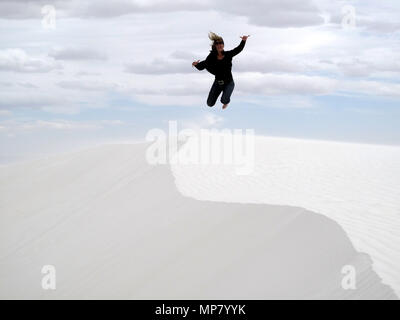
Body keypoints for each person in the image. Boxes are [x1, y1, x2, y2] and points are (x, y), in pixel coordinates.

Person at [192, 31, 249, 109]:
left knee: (224, 100)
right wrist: (196, 65)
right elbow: (203, 65)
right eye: (217, 44)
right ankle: (219, 100)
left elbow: (238, 49)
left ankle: (225, 103)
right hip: (218, 83)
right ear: (215, 46)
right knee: (210, 104)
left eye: (221, 43)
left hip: (229, 83)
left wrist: (243, 41)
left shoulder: (228, 55)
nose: (219, 45)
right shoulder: (211, 57)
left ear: (223, 45)